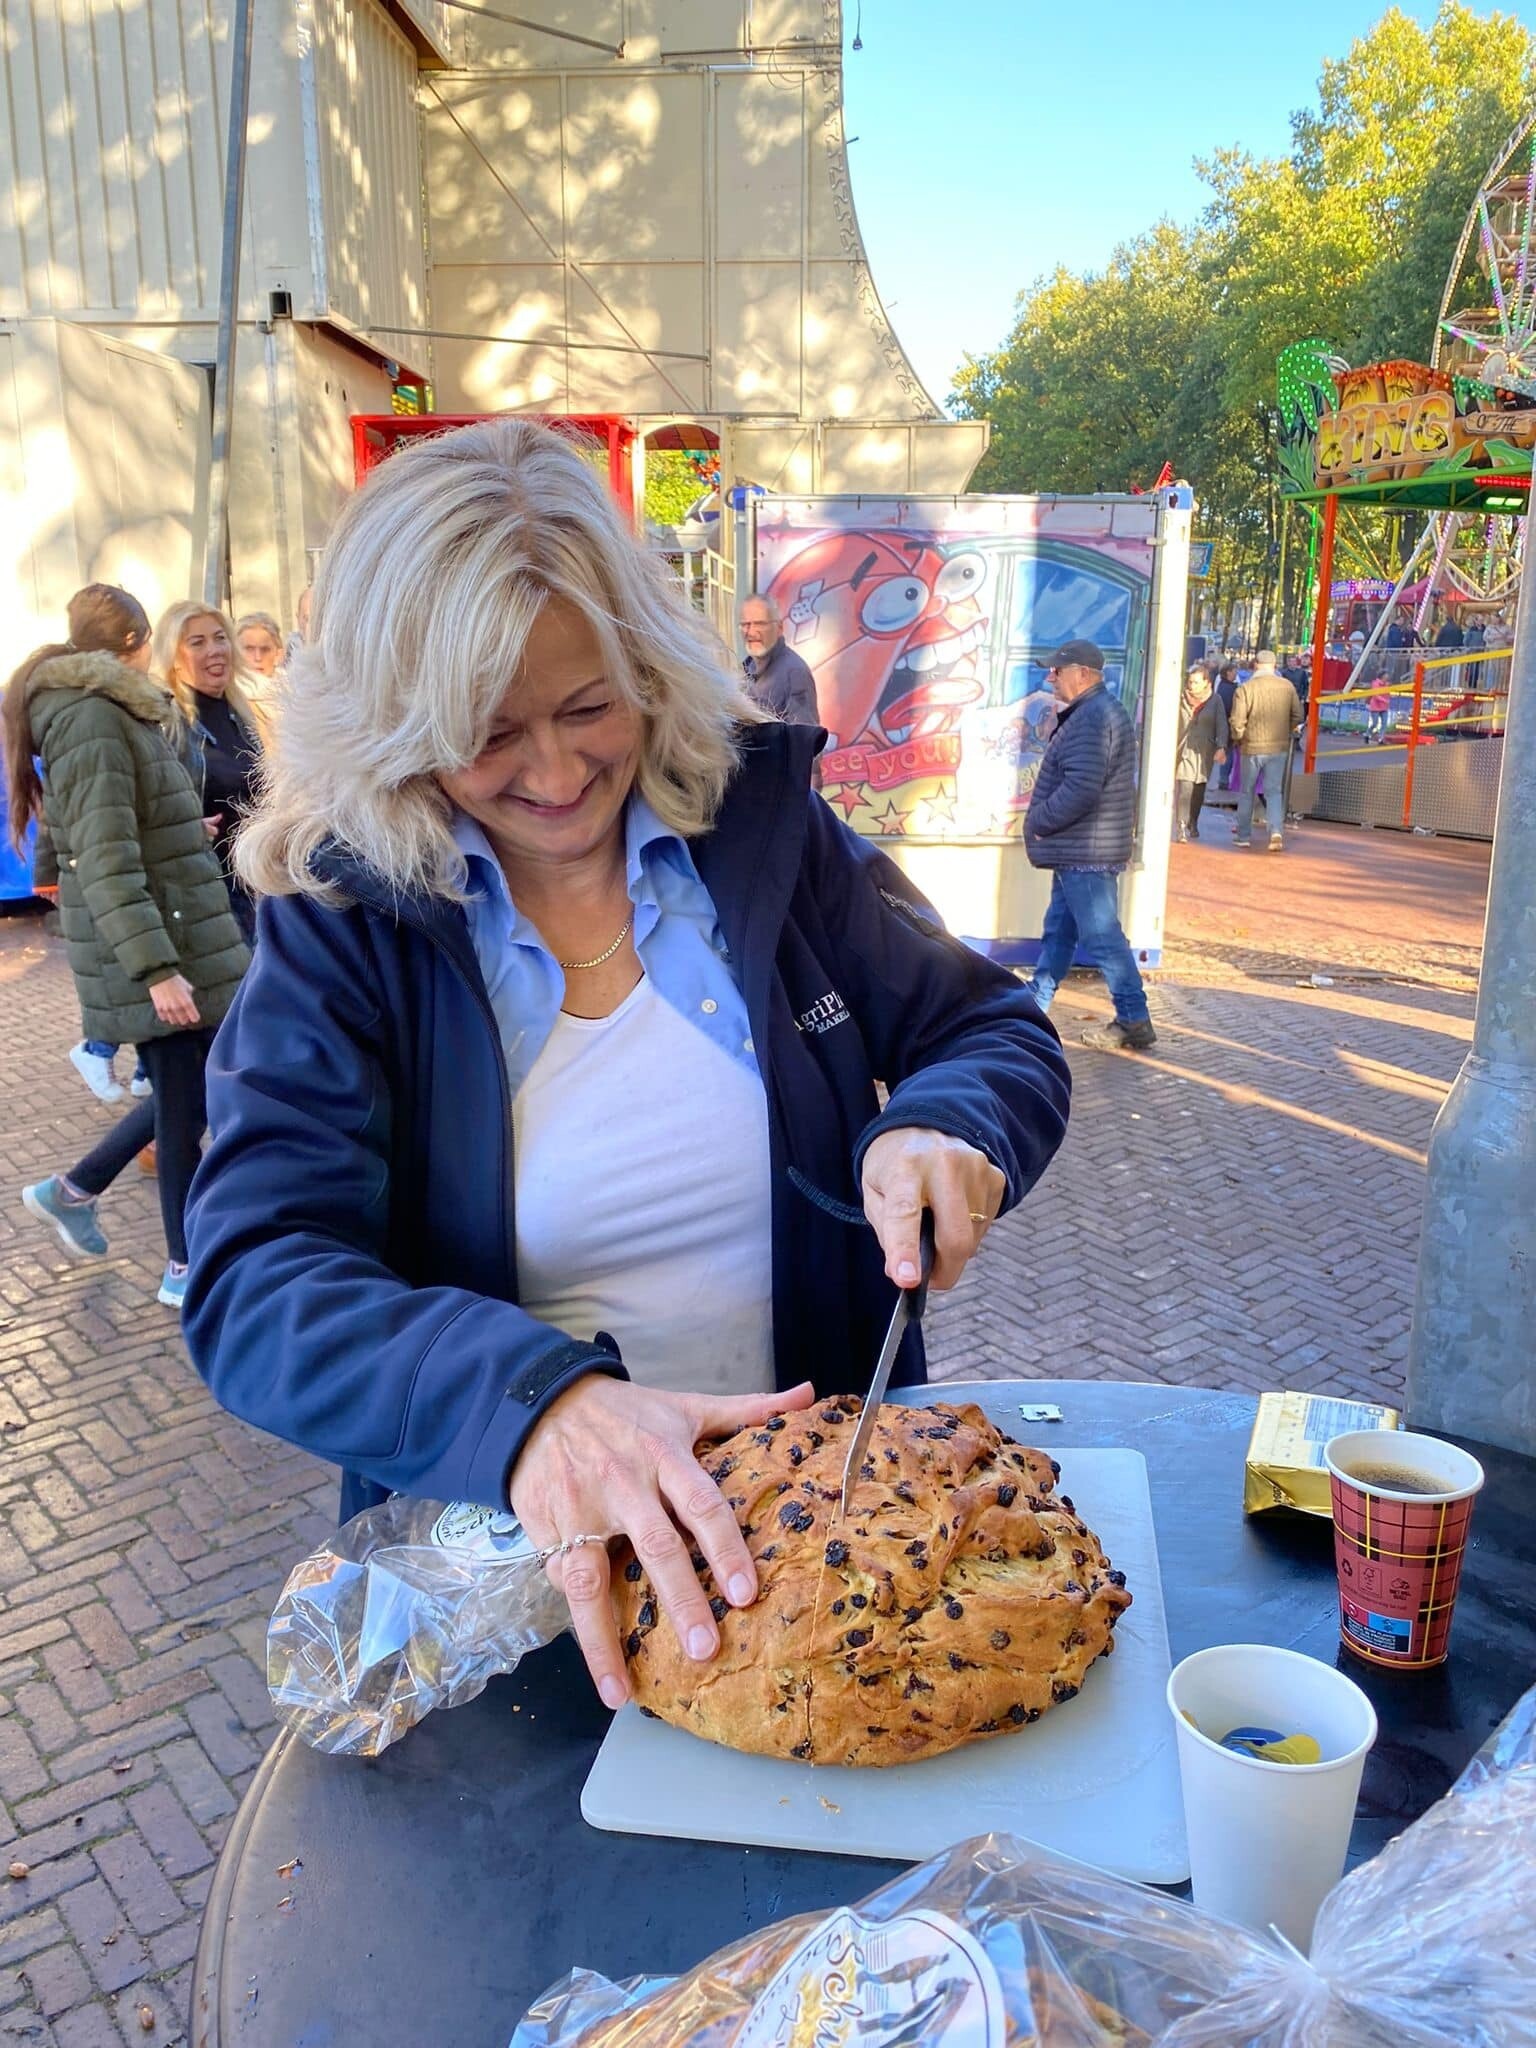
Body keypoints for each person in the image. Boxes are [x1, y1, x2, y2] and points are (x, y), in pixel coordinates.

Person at [180, 420, 1071, 1710]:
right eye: (487, 733)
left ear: (645, 666)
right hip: (521, 1615)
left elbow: (990, 1027)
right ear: (392, 722)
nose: (556, 773)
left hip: (822, 1578)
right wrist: (533, 1406)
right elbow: (256, 1281)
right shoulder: (343, 920)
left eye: (589, 705)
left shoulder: (766, 831)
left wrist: (943, 1124)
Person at [5, 584, 249, 1307]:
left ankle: (73, 1191)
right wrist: (156, 971)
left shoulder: (104, 712)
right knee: (183, 1112)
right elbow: (104, 854)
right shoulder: (93, 718)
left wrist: (177, 833)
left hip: (169, 931)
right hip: (157, 949)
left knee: (193, 1097)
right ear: (141, 643)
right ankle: (184, 1269)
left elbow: (87, 830)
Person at [1021, 639, 1155, 1052]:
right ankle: (1033, 1006)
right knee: (1059, 931)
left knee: (1102, 939)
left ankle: (1134, 1019)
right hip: (1083, 850)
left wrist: (1040, 822)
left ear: (1082, 673)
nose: (1051, 678)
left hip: (1087, 853)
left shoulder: (1093, 717)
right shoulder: (1095, 712)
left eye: (1057, 671)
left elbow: (1081, 788)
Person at [155, 604, 264, 945]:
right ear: (173, 656)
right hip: (207, 891)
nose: (214, 650)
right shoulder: (168, 720)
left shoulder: (241, 713)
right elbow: (151, 803)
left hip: (253, 885)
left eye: (220, 638)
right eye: (197, 642)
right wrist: (189, 828)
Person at [1229, 649, 1302, 852]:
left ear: (1255, 665)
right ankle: (1276, 831)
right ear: (1274, 666)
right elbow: (1298, 714)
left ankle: (1243, 836)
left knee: (1247, 792)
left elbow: (1237, 721)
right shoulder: (1287, 687)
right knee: (1273, 792)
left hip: (1251, 747)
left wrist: (1239, 737)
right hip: (1278, 747)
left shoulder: (1245, 688)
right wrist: (1285, 729)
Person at [738, 594, 820, 726]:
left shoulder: (794, 673)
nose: (751, 632)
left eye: (760, 624)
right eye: (745, 624)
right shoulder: (745, 669)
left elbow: (805, 739)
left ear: (779, 628)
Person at [1174, 665, 1227, 840]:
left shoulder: (1215, 700)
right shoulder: (1180, 698)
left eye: (1196, 682)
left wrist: (1221, 746)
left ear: (1206, 683)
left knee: (1199, 790)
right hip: (1185, 749)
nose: (1191, 686)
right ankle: (1181, 824)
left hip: (1205, 751)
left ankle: (1193, 821)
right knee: (1185, 788)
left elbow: (1221, 725)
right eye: (1190, 682)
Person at [235, 611, 284, 680]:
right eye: (249, 649)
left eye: (265, 650)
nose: (258, 657)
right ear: (235, 653)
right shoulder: (223, 689)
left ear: (278, 655)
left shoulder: (295, 688)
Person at [1365, 676, 1392, 745]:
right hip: (1375, 706)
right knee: (1375, 723)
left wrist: (1389, 695)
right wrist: (1385, 700)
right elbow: (1376, 695)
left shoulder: (1387, 684)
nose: (1387, 677)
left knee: (1384, 724)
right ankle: (1367, 734)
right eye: (1386, 676)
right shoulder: (1375, 683)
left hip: (1384, 707)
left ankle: (1381, 739)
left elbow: (1387, 694)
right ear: (1382, 676)